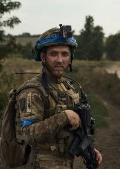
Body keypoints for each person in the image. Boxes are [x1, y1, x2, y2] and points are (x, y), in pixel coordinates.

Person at [14, 25, 102, 168]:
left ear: (70, 57)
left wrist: (89, 149)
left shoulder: (67, 86)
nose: (60, 60)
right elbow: (28, 134)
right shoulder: (33, 90)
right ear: (43, 57)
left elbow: (72, 131)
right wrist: (64, 117)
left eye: (65, 54)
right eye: (54, 54)